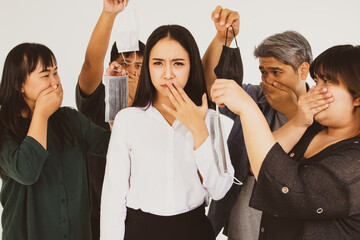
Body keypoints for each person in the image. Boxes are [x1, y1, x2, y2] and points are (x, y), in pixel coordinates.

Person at [210, 44, 360, 239]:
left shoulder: (354, 163)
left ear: (357, 96)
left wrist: (248, 109)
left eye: (327, 82)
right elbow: (257, 166)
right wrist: (299, 121)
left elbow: (285, 188)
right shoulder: (312, 130)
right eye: (316, 81)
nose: (315, 90)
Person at [100, 24, 234, 240]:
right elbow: (113, 198)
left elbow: (219, 190)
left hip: (194, 230)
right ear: (148, 68)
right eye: (158, 63)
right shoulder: (127, 119)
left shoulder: (209, 118)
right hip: (140, 231)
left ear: (192, 66)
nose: (168, 74)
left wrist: (198, 130)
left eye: (178, 63)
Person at [203, 6, 313, 239]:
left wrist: (294, 111)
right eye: (263, 72)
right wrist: (222, 38)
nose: (268, 81)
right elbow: (209, 86)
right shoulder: (252, 98)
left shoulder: (323, 116)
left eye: (276, 72)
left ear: (303, 70)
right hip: (242, 227)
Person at [0, 43, 110, 240]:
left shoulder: (71, 119)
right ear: (19, 85)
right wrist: (41, 114)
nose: (55, 82)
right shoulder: (4, 127)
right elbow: (26, 171)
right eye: (45, 75)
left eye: (56, 72)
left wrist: (117, 92)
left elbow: (115, 147)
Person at [75, 1, 144, 238]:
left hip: (145, 219)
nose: (133, 71)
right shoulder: (97, 102)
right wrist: (108, 14)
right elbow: (91, 64)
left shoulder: (157, 110)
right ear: (114, 66)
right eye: (126, 63)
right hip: (97, 220)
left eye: (140, 66)